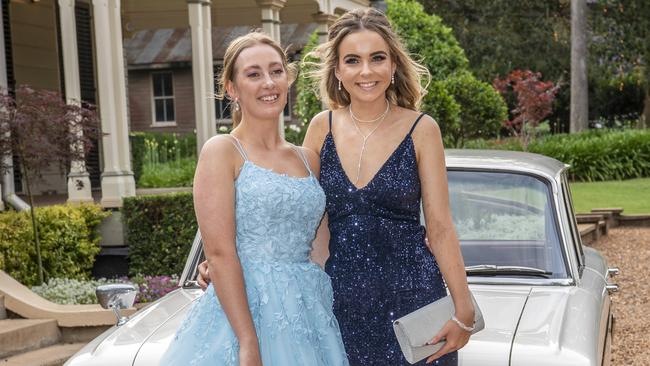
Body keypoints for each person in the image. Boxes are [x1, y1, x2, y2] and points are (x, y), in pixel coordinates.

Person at [199, 8, 475, 365]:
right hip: (340, 306)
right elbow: (293, 207)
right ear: (338, 71)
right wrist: (219, 259)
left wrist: (462, 307)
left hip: (415, 298)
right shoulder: (321, 128)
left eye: (377, 58)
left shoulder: (423, 129)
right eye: (352, 60)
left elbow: (440, 228)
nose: (366, 71)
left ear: (393, 66)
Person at [161, 32, 349, 366]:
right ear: (232, 88)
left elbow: (320, 251)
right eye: (253, 74)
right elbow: (219, 253)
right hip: (241, 315)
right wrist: (248, 343)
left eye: (277, 71)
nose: (268, 82)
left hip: (308, 314)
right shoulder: (222, 151)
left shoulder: (308, 158)